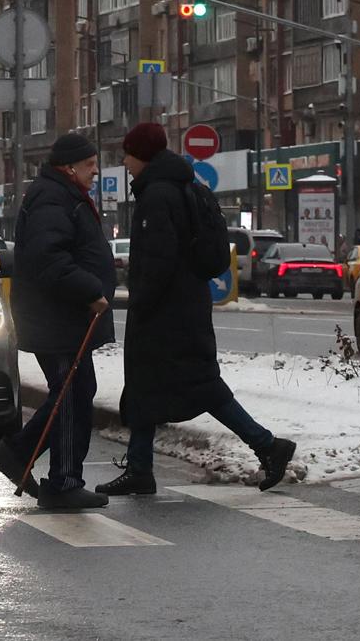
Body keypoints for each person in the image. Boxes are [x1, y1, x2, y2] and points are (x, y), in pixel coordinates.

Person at [101, 122, 297, 496]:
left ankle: (269, 446)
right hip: (183, 305)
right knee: (147, 388)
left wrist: (139, 300)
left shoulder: (157, 197)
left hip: (166, 313)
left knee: (200, 387)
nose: (124, 162)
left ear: (141, 154)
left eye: (127, 154)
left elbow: (158, 260)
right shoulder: (184, 187)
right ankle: (140, 469)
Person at [0, 133, 115, 511]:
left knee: (74, 391)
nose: (95, 171)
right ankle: (62, 482)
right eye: (90, 165)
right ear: (69, 166)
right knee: (71, 394)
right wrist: (91, 288)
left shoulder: (62, 195)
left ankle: (22, 456)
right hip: (57, 320)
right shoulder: (53, 198)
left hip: (63, 318)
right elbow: (49, 260)